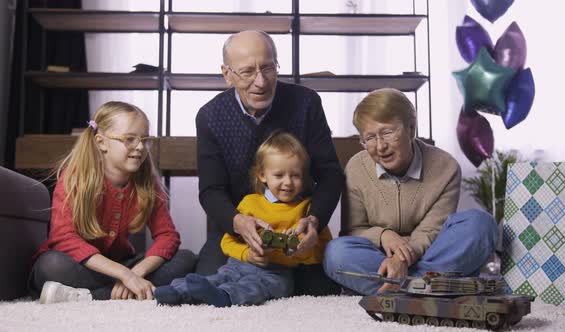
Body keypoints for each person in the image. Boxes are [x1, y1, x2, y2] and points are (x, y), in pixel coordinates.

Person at [195, 30, 343, 295]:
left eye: (268, 68)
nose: (261, 82)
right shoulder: (209, 116)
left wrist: (315, 221)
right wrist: (237, 222)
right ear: (227, 74)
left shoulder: (307, 103)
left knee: (322, 290)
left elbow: (330, 175)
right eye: (247, 72)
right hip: (239, 231)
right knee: (208, 279)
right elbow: (211, 190)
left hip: (296, 231)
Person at [323, 88, 498, 295]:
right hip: (381, 255)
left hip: (429, 251)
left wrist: (402, 258)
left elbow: (431, 229)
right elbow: (353, 231)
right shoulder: (356, 167)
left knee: (481, 223)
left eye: (387, 133)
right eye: (369, 138)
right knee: (335, 253)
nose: (380, 146)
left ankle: (394, 286)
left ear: (411, 129)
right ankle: (433, 285)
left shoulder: (446, 167)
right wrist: (384, 236)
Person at [30, 101, 196, 303]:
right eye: (129, 139)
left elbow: (167, 236)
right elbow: (64, 237)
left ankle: (92, 296)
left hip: (122, 263)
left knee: (186, 259)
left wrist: (136, 272)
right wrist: (124, 275)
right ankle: (127, 292)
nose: (140, 146)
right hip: (80, 264)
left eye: (145, 139)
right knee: (50, 265)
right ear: (101, 142)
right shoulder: (74, 178)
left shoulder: (147, 182)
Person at [155, 131, 332, 306]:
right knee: (218, 277)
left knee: (267, 286)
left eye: (295, 175)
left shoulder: (308, 211)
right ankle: (177, 292)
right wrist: (247, 254)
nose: (288, 182)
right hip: (240, 263)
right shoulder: (249, 203)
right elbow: (227, 242)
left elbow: (322, 249)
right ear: (262, 175)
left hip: (277, 272)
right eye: (279, 175)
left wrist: (301, 252)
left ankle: (225, 296)